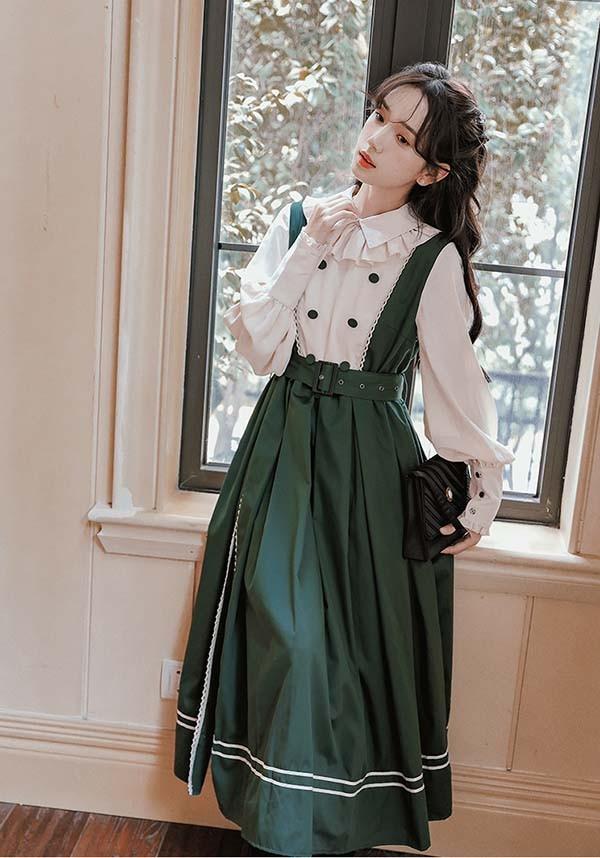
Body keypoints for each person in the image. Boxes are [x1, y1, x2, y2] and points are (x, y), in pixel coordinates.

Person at [173, 61, 516, 857]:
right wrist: (309, 246)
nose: (375, 139)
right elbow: (261, 348)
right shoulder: (300, 220)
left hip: (370, 465)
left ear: (431, 172)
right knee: (286, 642)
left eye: (404, 138)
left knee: (351, 659)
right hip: (283, 448)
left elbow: (457, 385)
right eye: (377, 116)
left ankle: (334, 828)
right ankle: (278, 825)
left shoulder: (430, 257)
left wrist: (482, 497)